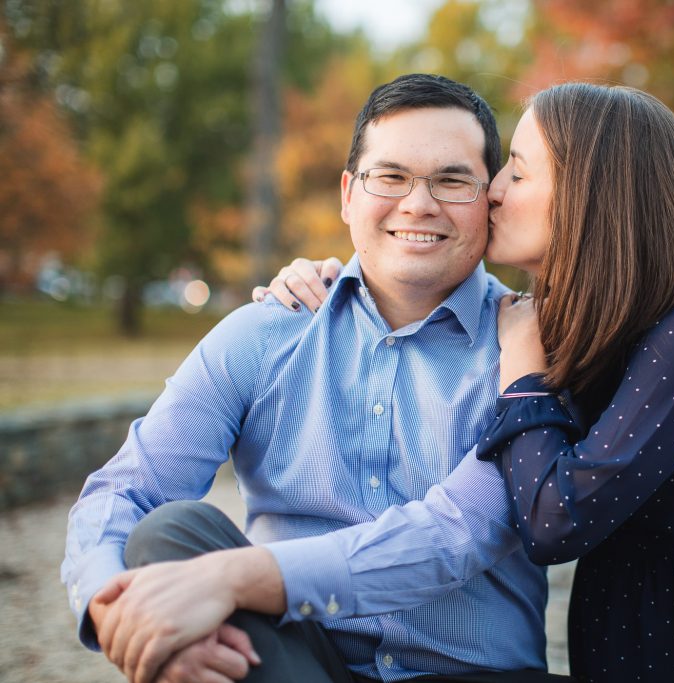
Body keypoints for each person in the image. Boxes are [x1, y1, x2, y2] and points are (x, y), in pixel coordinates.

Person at [265, 83, 674, 682]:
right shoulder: (589, 319)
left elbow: (556, 517)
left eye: (516, 172)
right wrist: (331, 282)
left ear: (590, 197)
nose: (491, 190)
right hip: (625, 627)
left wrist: (523, 372)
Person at [62, 74, 572, 683]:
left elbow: (457, 536)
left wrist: (230, 580)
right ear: (348, 195)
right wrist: (107, 604)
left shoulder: (530, 348)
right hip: (291, 661)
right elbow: (126, 490)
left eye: (451, 179)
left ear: (489, 199)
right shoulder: (264, 334)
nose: (418, 203)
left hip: (472, 671)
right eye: (391, 176)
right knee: (169, 532)